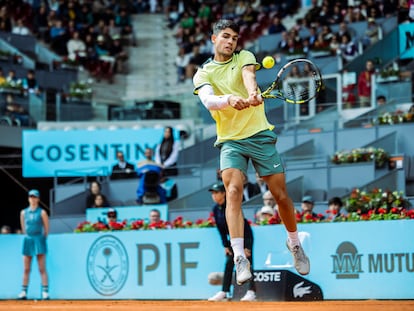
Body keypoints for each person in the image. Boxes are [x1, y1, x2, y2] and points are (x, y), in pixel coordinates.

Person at [193, 19, 310, 284]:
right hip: (231, 140)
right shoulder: (203, 73)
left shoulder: (244, 56)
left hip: (259, 134)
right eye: (225, 36)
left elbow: (249, 75)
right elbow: (209, 100)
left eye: (234, 37)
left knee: (280, 195)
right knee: (233, 190)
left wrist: (252, 92)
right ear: (214, 39)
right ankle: (239, 257)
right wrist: (229, 100)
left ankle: (294, 244)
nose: (230, 41)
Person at [207, 182, 256, 302]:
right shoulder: (215, 209)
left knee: (247, 263)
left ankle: (251, 292)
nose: (213, 195)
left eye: (216, 192)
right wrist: (226, 245)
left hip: (245, 236)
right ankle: (224, 292)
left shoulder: (232, 205)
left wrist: (246, 246)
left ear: (224, 193)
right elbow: (220, 229)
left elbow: (242, 225)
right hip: (233, 239)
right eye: (212, 193)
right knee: (229, 263)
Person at [17, 189, 49, 300]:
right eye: (31, 197)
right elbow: (23, 228)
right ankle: (23, 292)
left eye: (35, 197)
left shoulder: (42, 212)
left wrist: (41, 239)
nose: (33, 199)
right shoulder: (23, 212)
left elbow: (46, 229)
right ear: (28, 198)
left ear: (38, 199)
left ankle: (45, 292)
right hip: (28, 240)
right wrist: (28, 236)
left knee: (42, 268)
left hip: (39, 239)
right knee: (26, 269)